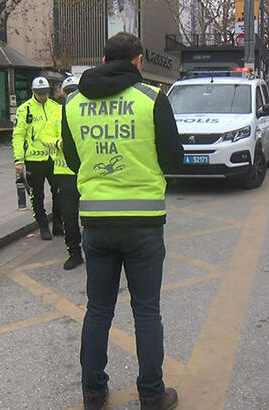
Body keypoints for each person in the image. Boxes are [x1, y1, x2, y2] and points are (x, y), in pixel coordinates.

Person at [61, 32, 183, 410]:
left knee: (98, 308)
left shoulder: (73, 104)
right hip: (144, 222)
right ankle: (151, 394)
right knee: (146, 310)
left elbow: (72, 158)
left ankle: (93, 392)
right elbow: (173, 158)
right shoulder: (151, 99)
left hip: (96, 222)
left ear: (102, 60)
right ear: (138, 61)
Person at [40, 76, 83, 270]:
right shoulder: (57, 114)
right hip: (64, 173)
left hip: (86, 171)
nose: (72, 94)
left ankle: (97, 250)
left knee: (94, 215)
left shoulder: (87, 111)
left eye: (75, 90)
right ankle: (74, 252)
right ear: (63, 94)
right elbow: (44, 137)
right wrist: (59, 143)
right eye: (69, 91)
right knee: (69, 216)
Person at [12, 76, 62, 240]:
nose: (42, 96)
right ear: (33, 91)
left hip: (54, 158)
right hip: (34, 160)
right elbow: (18, 136)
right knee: (37, 196)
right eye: (39, 93)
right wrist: (18, 160)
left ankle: (57, 224)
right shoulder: (24, 109)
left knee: (59, 193)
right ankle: (43, 226)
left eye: (45, 93)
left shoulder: (55, 107)